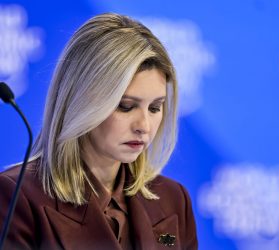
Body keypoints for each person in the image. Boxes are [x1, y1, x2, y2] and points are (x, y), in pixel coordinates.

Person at [0, 13, 198, 250]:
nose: (144, 126)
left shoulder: (173, 199)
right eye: (126, 106)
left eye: (155, 107)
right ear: (80, 101)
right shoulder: (16, 196)